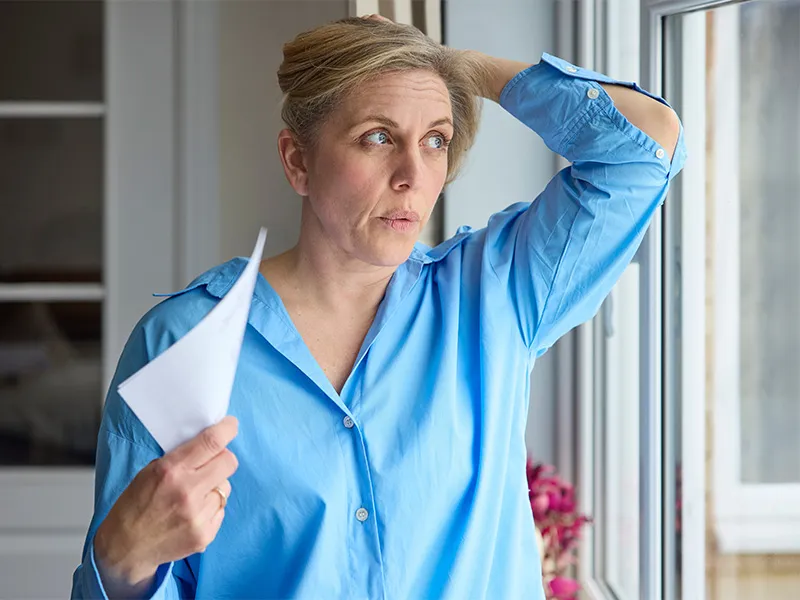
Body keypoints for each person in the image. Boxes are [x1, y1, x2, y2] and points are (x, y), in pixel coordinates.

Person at [71, 14, 685, 600]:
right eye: (378, 137)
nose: (412, 174)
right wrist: (122, 560)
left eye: (436, 140)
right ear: (297, 160)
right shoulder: (182, 342)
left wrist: (462, 68)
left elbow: (644, 150)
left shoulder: (497, 294)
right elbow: (134, 574)